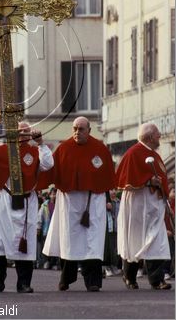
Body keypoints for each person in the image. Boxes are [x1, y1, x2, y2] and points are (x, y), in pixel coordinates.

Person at [0, 122, 53, 293]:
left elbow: (48, 164)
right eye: (20, 131)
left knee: (26, 243)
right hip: (5, 201)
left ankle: (23, 283)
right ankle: (0, 278)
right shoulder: (0, 151)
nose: (23, 134)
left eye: (26, 132)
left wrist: (41, 143)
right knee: (1, 243)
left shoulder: (34, 151)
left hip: (26, 201)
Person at [42, 116, 116, 292]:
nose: (77, 132)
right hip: (70, 201)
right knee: (70, 238)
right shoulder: (64, 148)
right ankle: (66, 277)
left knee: (93, 241)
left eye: (81, 129)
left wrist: (105, 197)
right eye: (75, 128)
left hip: (94, 200)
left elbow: (107, 176)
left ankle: (93, 281)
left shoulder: (100, 148)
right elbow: (50, 169)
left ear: (89, 130)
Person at [116, 123, 172, 291]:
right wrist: (147, 181)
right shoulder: (133, 153)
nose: (160, 137)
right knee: (135, 240)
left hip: (154, 205)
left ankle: (157, 280)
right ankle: (129, 276)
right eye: (157, 135)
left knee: (157, 241)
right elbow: (126, 181)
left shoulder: (155, 155)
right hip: (138, 205)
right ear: (149, 137)